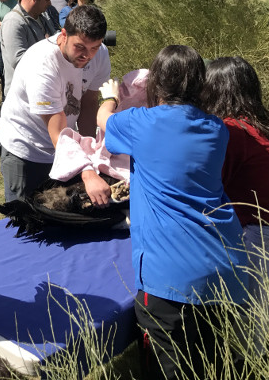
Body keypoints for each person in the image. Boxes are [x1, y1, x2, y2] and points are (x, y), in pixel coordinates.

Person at [98, 45, 247, 380]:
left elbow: (104, 123)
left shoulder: (142, 123)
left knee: (173, 370)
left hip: (170, 281)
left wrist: (109, 96)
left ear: (157, 84)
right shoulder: (216, 129)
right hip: (226, 269)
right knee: (214, 365)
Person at [0, 5, 111, 202]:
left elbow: (89, 103)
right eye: (80, 47)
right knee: (25, 221)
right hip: (26, 147)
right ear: (64, 34)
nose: (87, 56)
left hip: (65, 147)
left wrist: (89, 153)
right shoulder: (42, 64)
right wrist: (86, 171)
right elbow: (57, 132)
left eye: (93, 48)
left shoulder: (100, 54)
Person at [202, 56, 269, 327]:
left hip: (263, 236)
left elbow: (207, 191)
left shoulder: (232, 132)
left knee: (257, 334)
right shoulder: (266, 128)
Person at [0, 0, 56, 97]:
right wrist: (48, 50)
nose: (50, 3)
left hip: (42, 93)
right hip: (22, 100)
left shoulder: (43, 17)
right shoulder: (13, 22)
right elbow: (19, 62)